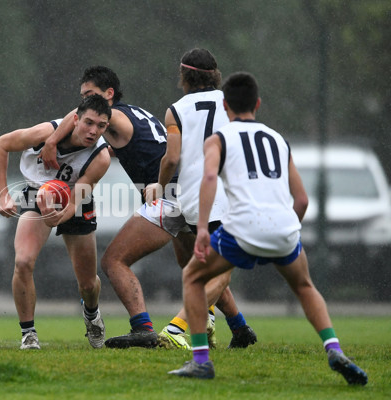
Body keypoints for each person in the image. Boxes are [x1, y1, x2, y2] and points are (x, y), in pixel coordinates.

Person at [168, 72, 368, 386]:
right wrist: (285, 231)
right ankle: (333, 349)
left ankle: (201, 361)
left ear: (225, 104)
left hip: (242, 228)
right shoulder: (277, 139)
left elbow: (208, 180)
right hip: (284, 228)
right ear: (257, 104)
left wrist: (204, 228)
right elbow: (301, 200)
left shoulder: (218, 139)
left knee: (193, 276)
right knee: (305, 287)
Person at [40, 66, 255, 349]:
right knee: (197, 263)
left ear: (109, 94)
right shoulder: (134, 115)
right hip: (189, 193)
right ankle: (240, 329)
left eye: (90, 96)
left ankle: (143, 328)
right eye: (82, 97)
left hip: (170, 196)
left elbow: (77, 117)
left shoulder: (111, 115)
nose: (84, 105)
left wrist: (52, 141)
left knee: (113, 261)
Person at [145, 49, 257, 349]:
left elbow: (171, 159)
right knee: (221, 271)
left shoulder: (175, 110)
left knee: (210, 267)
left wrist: (159, 185)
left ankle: (232, 327)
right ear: (215, 75)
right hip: (228, 195)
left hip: (194, 200)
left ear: (184, 75)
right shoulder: (231, 103)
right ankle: (177, 327)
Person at [0, 94, 111, 350]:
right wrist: (3, 195)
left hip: (75, 202)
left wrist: (60, 215)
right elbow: (1, 145)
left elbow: (72, 203)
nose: (93, 131)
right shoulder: (45, 133)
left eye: (101, 126)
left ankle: (92, 314)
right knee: (23, 261)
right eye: (89, 123)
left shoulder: (100, 158)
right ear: (76, 119)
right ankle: (29, 333)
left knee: (88, 283)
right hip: (36, 194)